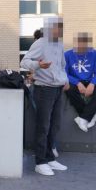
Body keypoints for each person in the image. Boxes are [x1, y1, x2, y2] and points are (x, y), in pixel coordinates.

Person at [20, 16, 69, 176]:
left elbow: (62, 66)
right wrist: (38, 65)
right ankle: (40, 162)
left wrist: (65, 80)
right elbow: (24, 62)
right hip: (43, 89)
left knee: (55, 125)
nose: (59, 30)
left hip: (57, 88)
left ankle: (50, 158)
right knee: (43, 126)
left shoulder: (60, 44)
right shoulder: (40, 43)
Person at [64, 32, 96, 132]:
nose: (82, 49)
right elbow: (64, 73)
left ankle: (83, 118)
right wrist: (77, 83)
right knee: (69, 89)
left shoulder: (94, 53)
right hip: (74, 81)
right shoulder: (67, 55)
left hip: (89, 81)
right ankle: (89, 117)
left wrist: (92, 84)